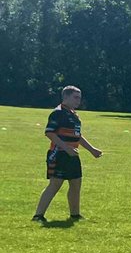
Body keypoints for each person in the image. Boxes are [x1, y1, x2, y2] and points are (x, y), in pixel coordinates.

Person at [33, 85, 102, 223]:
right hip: (59, 154)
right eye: (75, 97)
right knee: (55, 184)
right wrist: (66, 148)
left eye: (80, 98)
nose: (78, 100)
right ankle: (38, 215)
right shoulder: (58, 113)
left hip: (73, 155)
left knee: (76, 184)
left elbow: (78, 136)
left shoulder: (74, 115)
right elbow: (49, 133)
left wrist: (92, 150)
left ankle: (75, 215)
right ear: (65, 97)